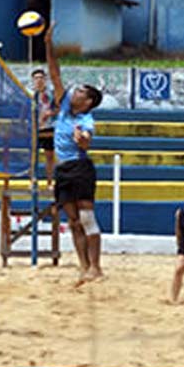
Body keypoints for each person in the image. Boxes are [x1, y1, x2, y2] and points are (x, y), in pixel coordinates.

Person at [44, 21, 104, 285]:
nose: (74, 90)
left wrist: (82, 140)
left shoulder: (87, 119)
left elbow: (86, 141)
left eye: (80, 90)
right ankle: (83, 267)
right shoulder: (65, 108)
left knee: (87, 217)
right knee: (72, 220)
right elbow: (55, 74)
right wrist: (47, 43)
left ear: (88, 101)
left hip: (79, 168)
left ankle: (96, 267)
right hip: (63, 169)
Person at [32, 68, 56, 188]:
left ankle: (50, 182)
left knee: (49, 156)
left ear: (45, 79)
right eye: (36, 78)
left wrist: (49, 114)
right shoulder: (31, 95)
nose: (39, 80)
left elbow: (59, 109)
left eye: (41, 78)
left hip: (49, 127)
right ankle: (33, 180)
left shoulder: (51, 94)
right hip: (34, 128)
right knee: (32, 156)